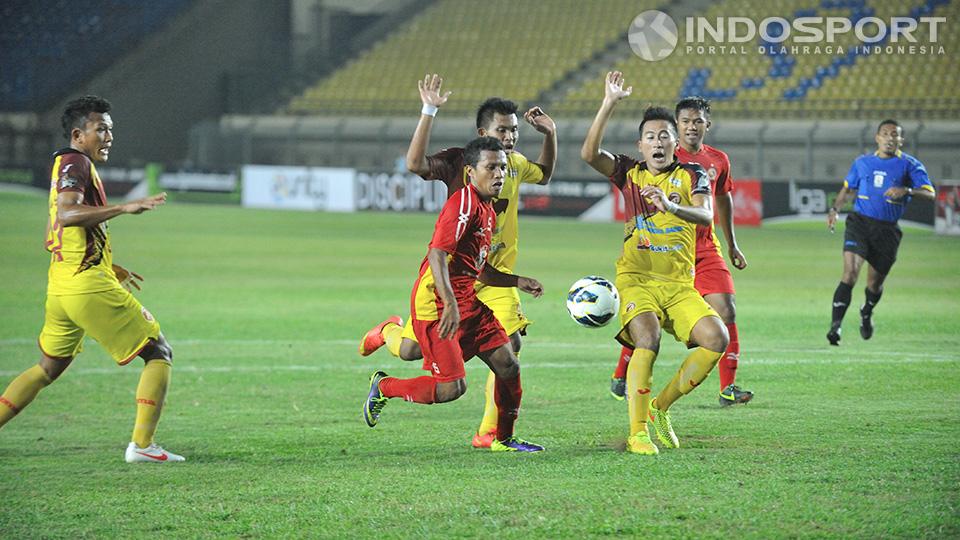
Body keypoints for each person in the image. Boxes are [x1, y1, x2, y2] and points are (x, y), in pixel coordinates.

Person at [358, 74, 557, 448]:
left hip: (469, 292)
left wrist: (517, 281)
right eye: (502, 132)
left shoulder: (491, 198)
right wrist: (429, 109)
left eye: (503, 166)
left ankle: (499, 438)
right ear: (474, 162)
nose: (501, 170)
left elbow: (476, 264)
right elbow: (438, 251)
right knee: (442, 380)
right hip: (439, 298)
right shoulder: (464, 195)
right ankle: (384, 380)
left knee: (508, 360)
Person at [0, 96, 181, 463]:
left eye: (111, 128)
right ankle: (143, 446)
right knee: (158, 351)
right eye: (101, 128)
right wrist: (124, 207)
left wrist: (109, 263)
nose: (109, 135)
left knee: (47, 368)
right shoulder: (75, 161)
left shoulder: (65, 163)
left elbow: (61, 227)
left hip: (62, 285)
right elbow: (67, 215)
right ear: (78, 133)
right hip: (85, 285)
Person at [581, 72, 729, 455]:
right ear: (641, 145)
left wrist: (671, 206)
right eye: (651, 136)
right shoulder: (629, 173)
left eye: (665, 135)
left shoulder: (691, 174)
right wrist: (609, 102)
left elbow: (706, 216)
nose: (658, 141)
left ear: (675, 142)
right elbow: (589, 154)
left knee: (717, 339)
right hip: (637, 279)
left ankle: (660, 408)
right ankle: (638, 433)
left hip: (679, 283)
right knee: (648, 337)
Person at [609, 97, 753, 407]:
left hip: (704, 246)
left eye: (697, 121)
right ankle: (623, 370)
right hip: (666, 252)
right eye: (685, 121)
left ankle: (727, 388)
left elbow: (722, 202)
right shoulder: (659, 158)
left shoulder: (717, 161)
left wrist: (732, 244)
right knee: (649, 317)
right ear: (676, 127)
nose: (691, 126)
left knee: (726, 312)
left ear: (706, 125)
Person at [826, 119, 935, 345]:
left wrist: (907, 190)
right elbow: (848, 188)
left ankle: (866, 311)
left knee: (874, 285)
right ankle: (835, 327)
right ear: (877, 138)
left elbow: (930, 193)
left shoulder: (910, 165)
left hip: (887, 231)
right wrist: (835, 209)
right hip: (860, 223)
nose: (889, 138)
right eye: (885, 133)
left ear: (901, 140)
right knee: (850, 273)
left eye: (894, 134)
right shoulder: (863, 162)